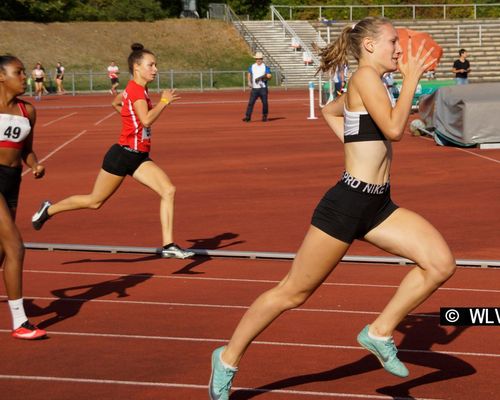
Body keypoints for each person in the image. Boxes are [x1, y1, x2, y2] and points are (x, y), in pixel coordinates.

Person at [209, 16, 456, 399]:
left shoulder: (372, 83)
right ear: (370, 46)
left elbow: (330, 111)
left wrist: (353, 146)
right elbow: (394, 131)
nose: (399, 48)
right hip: (346, 205)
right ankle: (227, 358)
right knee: (292, 293)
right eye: (393, 41)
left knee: (440, 263)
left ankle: (378, 332)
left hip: (377, 205)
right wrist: (410, 78)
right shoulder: (364, 79)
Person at [31, 43, 195, 260]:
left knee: (168, 190)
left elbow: (116, 103)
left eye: (156, 65)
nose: (155, 69)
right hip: (122, 155)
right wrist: (164, 102)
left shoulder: (135, 89)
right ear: (137, 67)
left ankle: (168, 245)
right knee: (94, 201)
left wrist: (129, 120)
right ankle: (48, 210)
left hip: (138, 157)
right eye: (151, 65)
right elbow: (146, 119)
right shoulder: (136, 91)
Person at [0, 55, 47, 339]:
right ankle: (20, 322)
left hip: (11, 181)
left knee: (3, 250)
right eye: (18, 72)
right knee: (16, 247)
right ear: (1, 77)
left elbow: (27, 148)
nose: (25, 77)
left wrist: (35, 164)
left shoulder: (27, 110)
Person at [242, 52, 272, 123]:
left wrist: (265, 76)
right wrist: (249, 82)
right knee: (251, 103)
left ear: (262, 59)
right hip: (255, 89)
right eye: (257, 59)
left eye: (260, 59)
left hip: (263, 88)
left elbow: (269, 76)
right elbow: (249, 73)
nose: (258, 60)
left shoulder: (265, 67)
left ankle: (265, 115)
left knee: (265, 103)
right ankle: (248, 117)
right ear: (255, 59)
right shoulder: (252, 66)